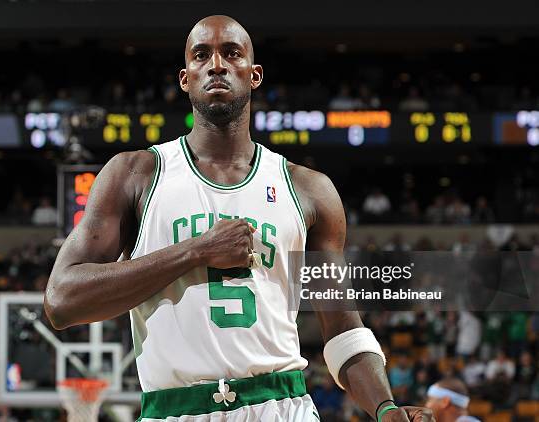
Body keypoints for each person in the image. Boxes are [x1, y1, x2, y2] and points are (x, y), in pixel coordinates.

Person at [45, 15, 434, 422]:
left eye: (231, 53)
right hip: (174, 408)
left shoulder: (309, 190)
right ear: (185, 78)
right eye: (201, 56)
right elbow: (61, 300)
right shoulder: (135, 173)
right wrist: (196, 251)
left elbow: (342, 329)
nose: (216, 64)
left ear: (254, 74)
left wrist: (385, 407)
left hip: (282, 406)